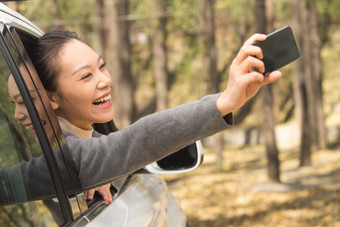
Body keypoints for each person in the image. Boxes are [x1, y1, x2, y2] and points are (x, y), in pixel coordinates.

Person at [27, 30, 281, 202]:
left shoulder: (83, 141)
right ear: (51, 97)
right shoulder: (63, 153)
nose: (105, 80)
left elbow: (114, 151)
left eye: (102, 66)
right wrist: (224, 102)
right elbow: (138, 140)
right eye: (86, 76)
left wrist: (105, 174)